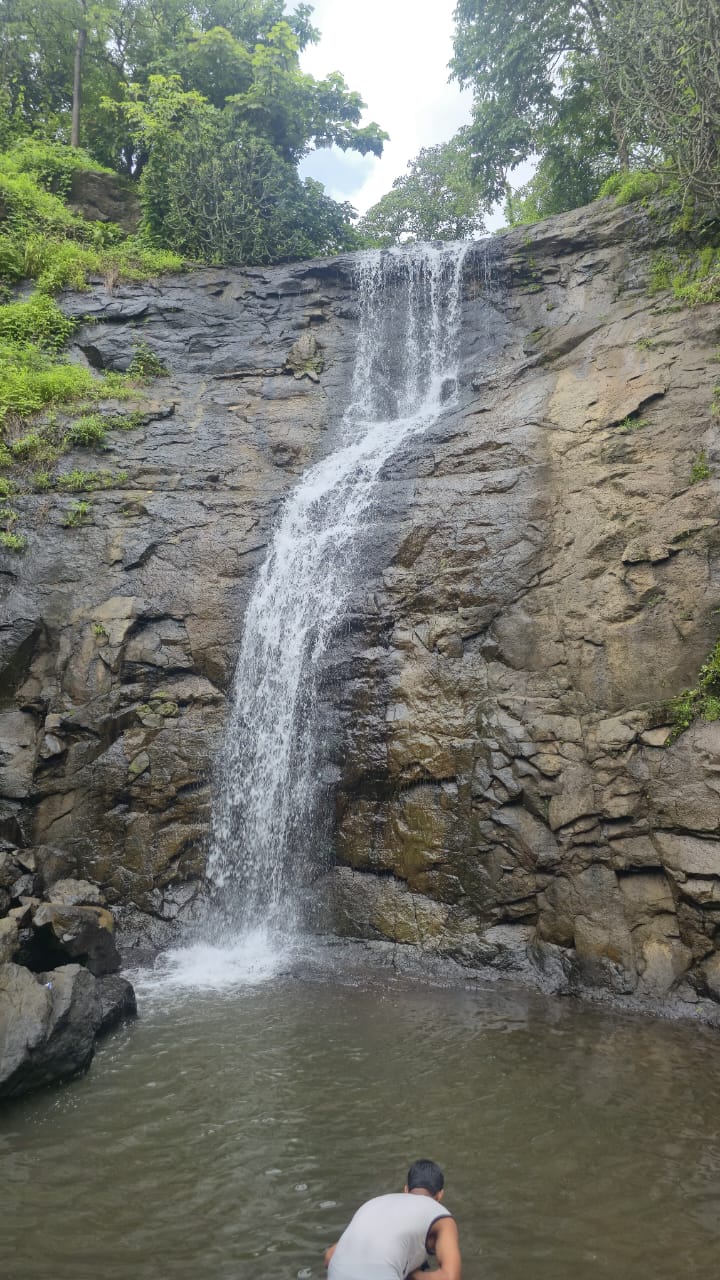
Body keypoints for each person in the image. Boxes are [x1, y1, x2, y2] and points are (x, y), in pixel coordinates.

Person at [324, 1158, 462, 1280]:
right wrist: (412, 1275)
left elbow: (330, 1256)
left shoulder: (376, 1203)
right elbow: (450, 1277)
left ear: (406, 1190)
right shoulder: (441, 1215)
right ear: (440, 1195)